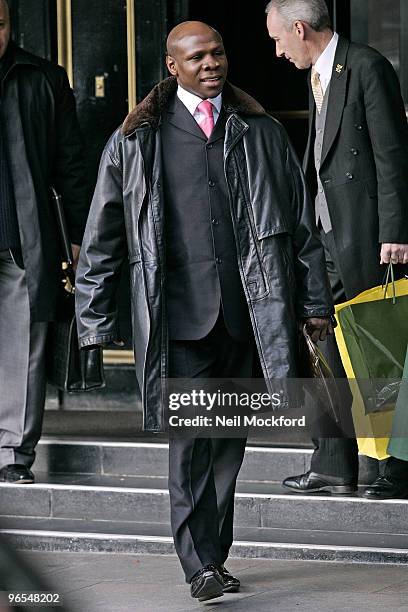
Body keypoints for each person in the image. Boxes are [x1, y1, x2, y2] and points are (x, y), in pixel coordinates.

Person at [75, 20, 333, 602]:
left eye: (218, 52)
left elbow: (299, 229)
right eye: (197, 57)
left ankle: (214, 555)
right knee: (192, 442)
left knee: (228, 446)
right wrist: (93, 317)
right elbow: (102, 237)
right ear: (173, 67)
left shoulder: (260, 132)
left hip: (248, 316)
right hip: (181, 321)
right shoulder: (136, 140)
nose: (211, 63)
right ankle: (198, 565)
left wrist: (313, 302)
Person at [266, 0, 408, 499]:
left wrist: (395, 231)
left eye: (278, 39)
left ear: (299, 29)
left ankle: (389, 467)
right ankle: (331, 462)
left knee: (375, 349)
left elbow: (393, 154)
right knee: (322, 341)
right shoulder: (318, 75)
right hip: (323, 237)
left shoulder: (366, 66)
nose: (278, 51)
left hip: (367, 236)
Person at [0, 0, 88, 483]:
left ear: (12, 23)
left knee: (25, 349)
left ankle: (13, 455)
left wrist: (76, 236)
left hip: (22, 238)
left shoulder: (43, 79)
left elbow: (70, 164)